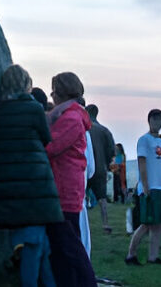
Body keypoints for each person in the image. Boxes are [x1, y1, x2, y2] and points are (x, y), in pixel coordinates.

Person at [0, 64, 61, 287]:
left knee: (40, 243)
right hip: (36, 181)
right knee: (35, 244)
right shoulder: (34, 109)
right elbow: (46, 138)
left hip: (9, 183)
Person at [42, 72, 96, 286]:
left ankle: (87, 283)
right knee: (63, 248)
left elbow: (51, 147)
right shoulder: (69, 116)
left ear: (62, 93)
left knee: (70, 247)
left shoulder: (71, 119)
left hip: (65, 191)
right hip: (64, 188)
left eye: (54, 91)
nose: (52, 95)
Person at [124, 109, 161, 266]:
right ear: (150, 120)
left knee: (158, 224)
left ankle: (153, 256)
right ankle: (131, 254)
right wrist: (145, 186)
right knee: (147, 223)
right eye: (156, 119)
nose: (158, 123)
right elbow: (142, 163)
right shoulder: (144, 140)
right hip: (150, 186)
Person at [85, 104, 115, 234]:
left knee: (83, 196)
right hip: (100, 169)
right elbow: (111, 151)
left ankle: (84, 224)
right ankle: (105, 223)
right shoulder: (104, 130)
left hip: (85, 169)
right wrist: (106, 164)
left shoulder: (83, 128)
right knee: (102, 198)